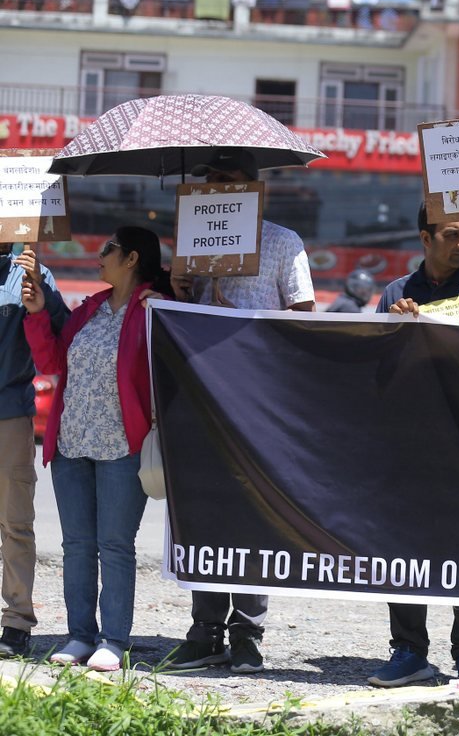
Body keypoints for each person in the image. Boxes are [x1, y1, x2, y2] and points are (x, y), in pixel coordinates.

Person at [165, 150, 315, 675]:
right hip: (201, 403)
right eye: (209, 179)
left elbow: (303, 322)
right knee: (202, 515)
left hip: (258, 407)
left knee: (253, 518)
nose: (215, 187)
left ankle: (247, 633)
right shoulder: (189, 245)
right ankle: (205, 630)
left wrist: (241, 323)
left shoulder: (282, 242)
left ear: (254, 189)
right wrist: (180, 292)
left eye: (227, 179)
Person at [368, 202, 459, 687]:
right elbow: (377, 368)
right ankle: (408, 649)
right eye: (452, 235)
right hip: (411, 443)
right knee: (404, 547)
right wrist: (395, 326)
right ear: (425, 238)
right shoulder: (395, 292)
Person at [21, 227, 173, 671]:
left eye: (108, 249)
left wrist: (168, 310)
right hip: (71, 444)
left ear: (131, 259)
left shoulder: (153, 310)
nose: (99, 255)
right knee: (77, 546)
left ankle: (114, 639)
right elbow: (51, 362)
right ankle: (80, 636)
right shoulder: (89, 308)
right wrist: (35, 313)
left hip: (122, 448)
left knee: (115, 546)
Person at [0, 244, 66, 659]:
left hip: (8, 412)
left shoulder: (30, 272)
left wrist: (40, 290)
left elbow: (61, 333)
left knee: (14, 523)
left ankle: (16, 622)